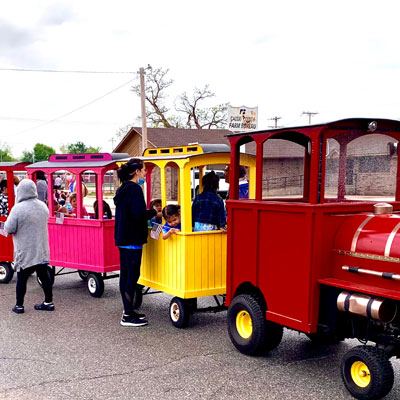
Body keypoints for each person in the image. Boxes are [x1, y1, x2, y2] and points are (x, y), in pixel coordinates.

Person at [114, 158, 159, 327]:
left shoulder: (122, 189)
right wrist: (153, 212)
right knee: (132, 276)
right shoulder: (135, 189)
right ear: (136, 172)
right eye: (144, 170)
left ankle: (128, 310)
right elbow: (138, 214)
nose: (145, 173)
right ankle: (127, 315)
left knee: (125, 275)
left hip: (122, 238)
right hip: (132, 239)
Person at [4, 179, 54, 314]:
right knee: (44, 275)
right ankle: (48, 302)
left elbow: (9, 228)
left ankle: (19, 305)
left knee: (22, 278)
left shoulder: (18, 209)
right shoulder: (43, 206)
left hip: (25, 250)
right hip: (41, 248)